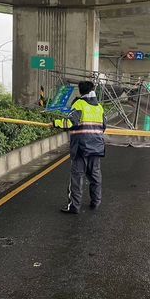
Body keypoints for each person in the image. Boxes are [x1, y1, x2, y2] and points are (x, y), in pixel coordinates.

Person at [53, 81, 105, 214]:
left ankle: (74, 206)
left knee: (77, 177)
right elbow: (104, 126)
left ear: (80, 92)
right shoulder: (99, 107)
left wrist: (56, 123)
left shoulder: (79, 104)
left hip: (81, 147)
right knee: (95, 176)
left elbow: (70, 122)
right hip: (97, 147)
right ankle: (96, 202)